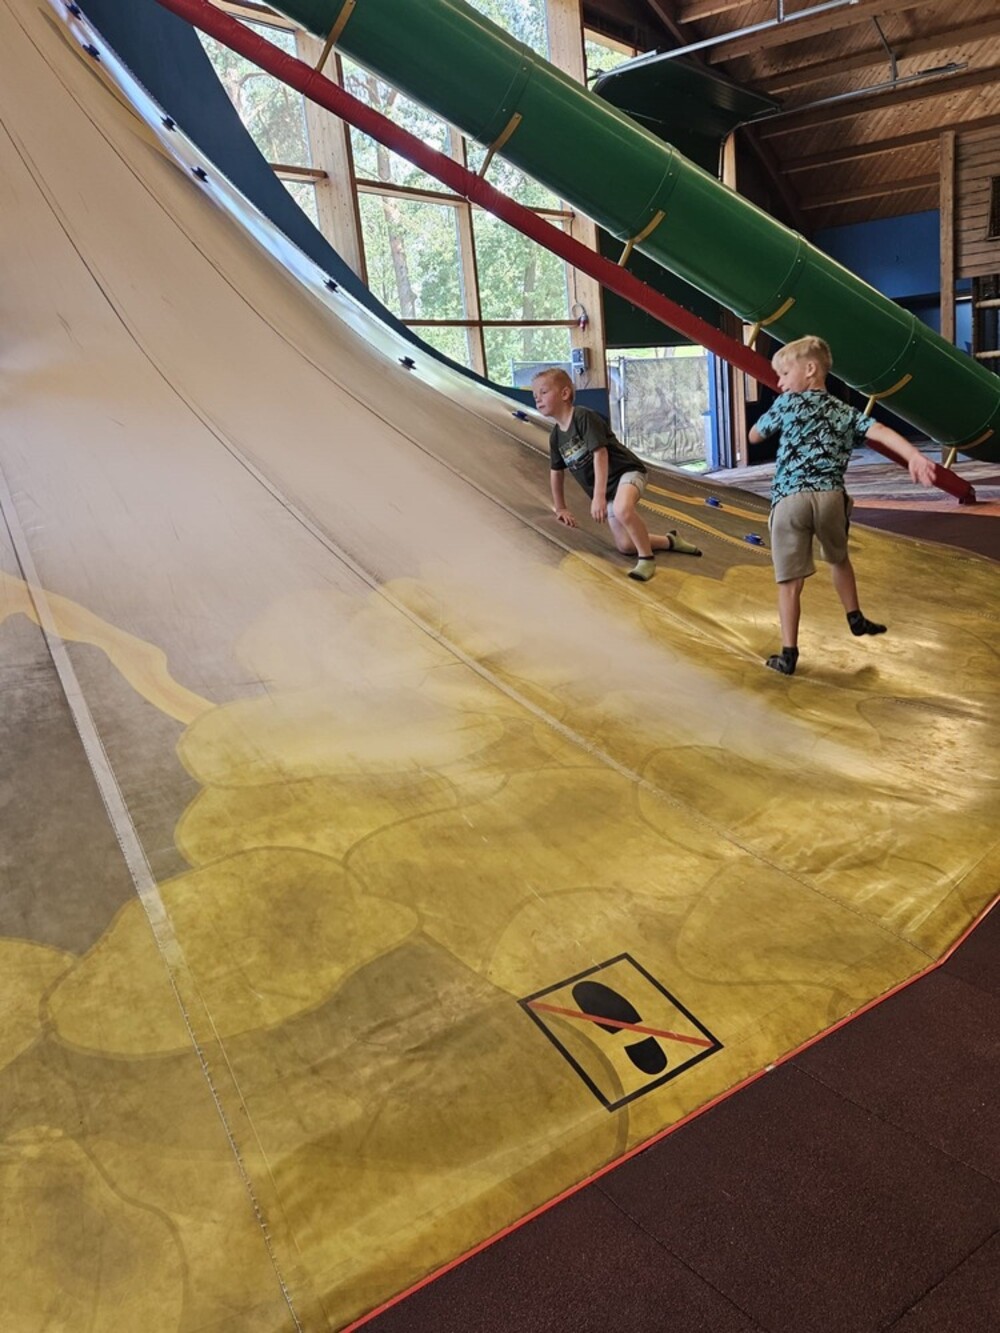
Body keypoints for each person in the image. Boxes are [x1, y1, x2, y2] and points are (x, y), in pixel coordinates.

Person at [748, 334, 937, 675]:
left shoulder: (787, 404)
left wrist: (764, 425)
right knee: (838, 558)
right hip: (830, 499)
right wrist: (914, 456)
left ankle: (788, 654)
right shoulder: (843, 411)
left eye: (785, 374)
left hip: (790, 500)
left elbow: (755, 435)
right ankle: (855, 616)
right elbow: (879, 430)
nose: (780, 383)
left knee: (790, 582)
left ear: (810, 370)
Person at [531, 367, 701, 582]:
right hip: (610, 489)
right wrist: (561, 507)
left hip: (627, 473)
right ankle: (670, 541)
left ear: (565, 394)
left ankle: (647, 558)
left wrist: (598, 496)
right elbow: (556, 472)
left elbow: (600, 454)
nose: (538, 399)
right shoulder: (556, 437)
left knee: (622, 509)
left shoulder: (583, 417)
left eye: (543, 392)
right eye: (535, 396)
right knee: (626, 545)